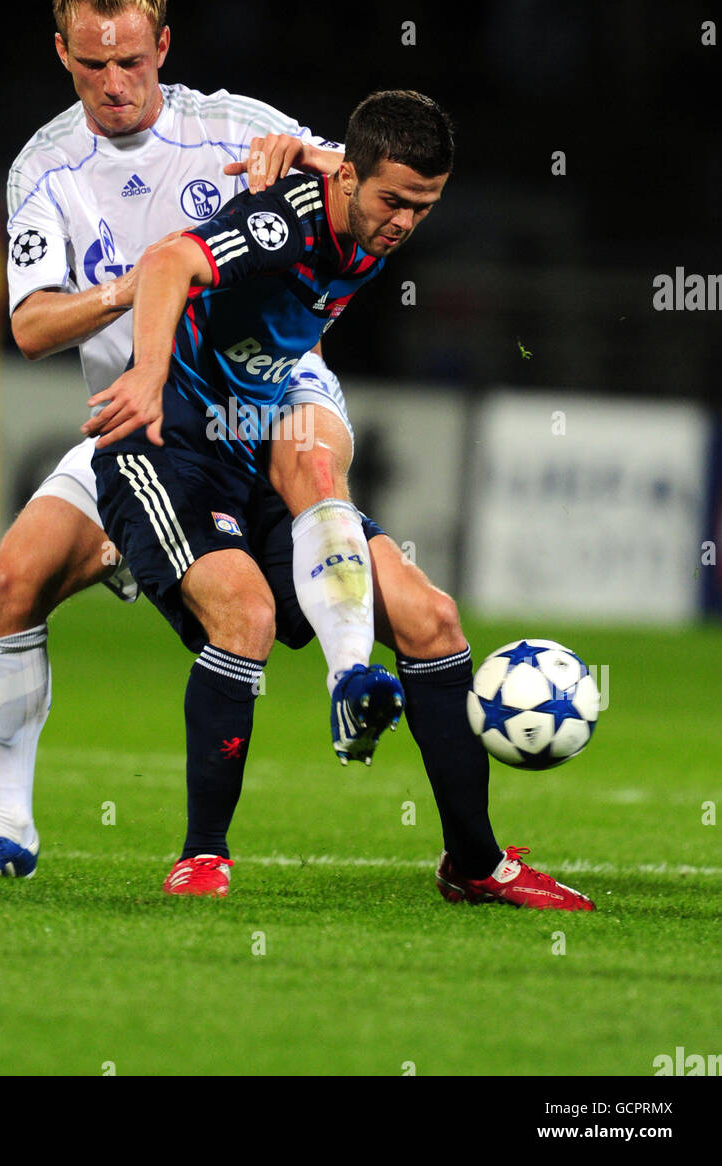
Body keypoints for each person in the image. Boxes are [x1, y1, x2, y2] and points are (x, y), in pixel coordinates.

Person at [0, 0, 393, 880]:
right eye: (92, 63)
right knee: (7, 584)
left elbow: (365, 183)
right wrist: (126, 291)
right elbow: (28, 326)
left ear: (164, 46)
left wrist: (309, 153)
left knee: (325, 550)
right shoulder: (45, 170)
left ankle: (366, 690)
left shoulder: (233, 125)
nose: (114, 83)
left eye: (132, 62)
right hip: (135, 427)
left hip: (247, 410)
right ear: (62, 53)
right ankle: (9, 831)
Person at [87, 89, 596, 910]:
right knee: (245, 614)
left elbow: (336, 172)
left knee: (430, 617)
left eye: (422, 208)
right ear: (351, 179)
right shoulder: (288, 218)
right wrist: (145, 373)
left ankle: (473, 863)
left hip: (253, 444)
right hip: (165, 449)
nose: (402, 222)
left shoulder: (362, 210)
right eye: (392, 200)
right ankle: (201, 856)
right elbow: (170, 263)